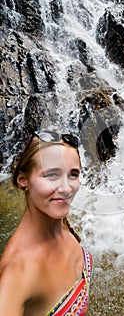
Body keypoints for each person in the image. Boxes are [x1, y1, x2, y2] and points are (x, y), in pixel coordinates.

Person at [0, 130, 93, 315]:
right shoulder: (18, 273)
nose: (66, 188)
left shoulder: (61, 223)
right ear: (22, 180)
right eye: (51, 175)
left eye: (73, 174)